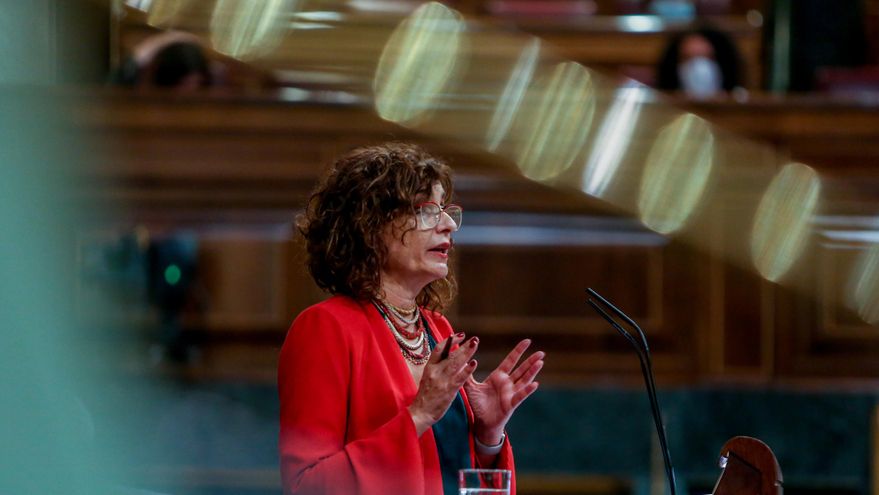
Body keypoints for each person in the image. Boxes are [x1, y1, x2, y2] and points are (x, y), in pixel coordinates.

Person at [278, 143, 545, 495]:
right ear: (370, 225)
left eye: (447, 211)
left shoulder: (438, 329)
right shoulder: (325, 329)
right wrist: (418, 416)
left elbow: (449, 475)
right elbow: (305, 486)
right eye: (427, 210)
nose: (449, 224)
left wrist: (487, 435)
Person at [655, 26, 743, 98]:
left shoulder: (742, 101)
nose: (698, 66)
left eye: (707, 57)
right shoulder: (658, 104)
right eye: (688, 58)